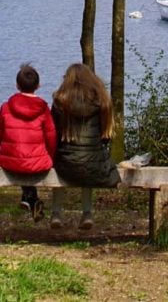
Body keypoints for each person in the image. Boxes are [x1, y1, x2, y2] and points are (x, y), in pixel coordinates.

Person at [49, 63, 120, 230]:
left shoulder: (60, 102)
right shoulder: (101, 102)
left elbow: (54, 133)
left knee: (61, 162)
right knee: (89, 160)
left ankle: (56, 214)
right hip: (93, 163)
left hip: (66, 162)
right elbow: (105, 136)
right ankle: (87, 213)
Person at [0, 63, 57, 221]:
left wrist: (10, 148)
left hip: (10, 161)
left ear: (17, 85)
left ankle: (29, 198)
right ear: (38, 85)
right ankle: (31, 199)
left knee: (22, 161)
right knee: (30, 161)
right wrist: (51, 157)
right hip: (37, 163)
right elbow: (51, 137)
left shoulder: (6, 107)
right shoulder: (43, 109)